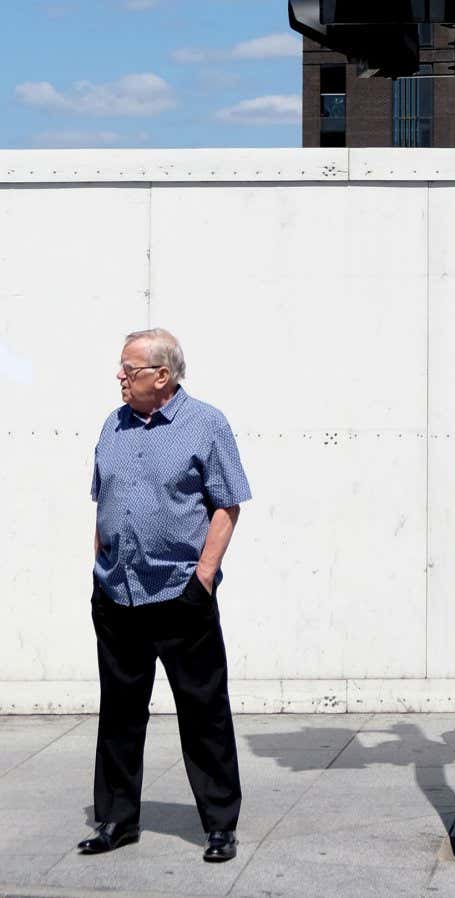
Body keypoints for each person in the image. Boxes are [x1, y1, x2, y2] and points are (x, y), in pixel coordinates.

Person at [79, 329, 250, 863]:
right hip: (118, 595)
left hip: (180, 595)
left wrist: (204, 578)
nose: (119, 376)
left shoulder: (206, 424)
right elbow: (104, 502)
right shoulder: (113, 424)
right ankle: (116, 819)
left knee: (204, 714)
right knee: (119, 713)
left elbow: (227, 505)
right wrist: (100, 569)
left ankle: (219, 825)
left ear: (162, 376)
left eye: (128, 369)